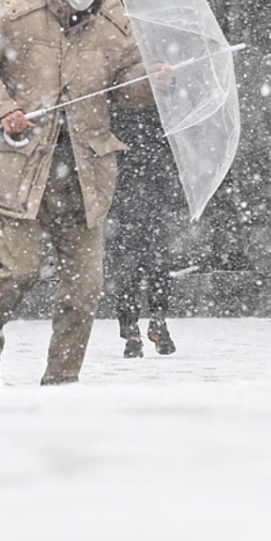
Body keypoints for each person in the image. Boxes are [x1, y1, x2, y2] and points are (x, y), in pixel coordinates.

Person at [0, 0, 167, 386]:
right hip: (18, 168)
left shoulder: (114, 20)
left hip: (86, 172)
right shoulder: (13, 12)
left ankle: (62, 383)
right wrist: (3, 109)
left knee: (85, 288)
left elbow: (126, 85)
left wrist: (153, 80)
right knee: (17, 271)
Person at [106, 106, 178, 358]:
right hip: (139, 192)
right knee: (147, 264)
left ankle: (136, 330)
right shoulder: (158, 110)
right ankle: (150, 324)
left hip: (134, 192)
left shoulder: (127, 106)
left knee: (135, 266)